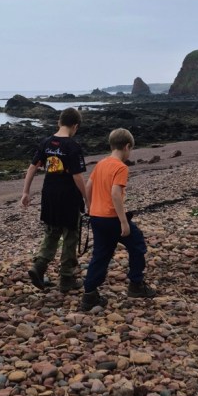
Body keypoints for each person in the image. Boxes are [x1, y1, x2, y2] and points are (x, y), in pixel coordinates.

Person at [81, 127, 156, 311]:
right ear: (127, 146)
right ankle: (136, 285)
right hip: (112, 218)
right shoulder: (121, 167)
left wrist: (90, 207)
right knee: (137, 245)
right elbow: (115, 194)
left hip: (97, 217)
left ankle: (89, 294)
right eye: (130, 150)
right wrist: (123, 221)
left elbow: (88, 186)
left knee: (101, 254)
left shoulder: (101, 163)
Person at [21, 107, 88, 293]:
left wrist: (25, 192)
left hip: (49, 195)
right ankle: (66, 278)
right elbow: (77, 177)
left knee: (51, 232)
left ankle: (39, 267)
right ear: (75, 126)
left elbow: (32, 167)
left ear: (59, 122)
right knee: (70, 236)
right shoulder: (73, 147)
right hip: (69, 198)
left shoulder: (46, 142)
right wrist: (87, 198)